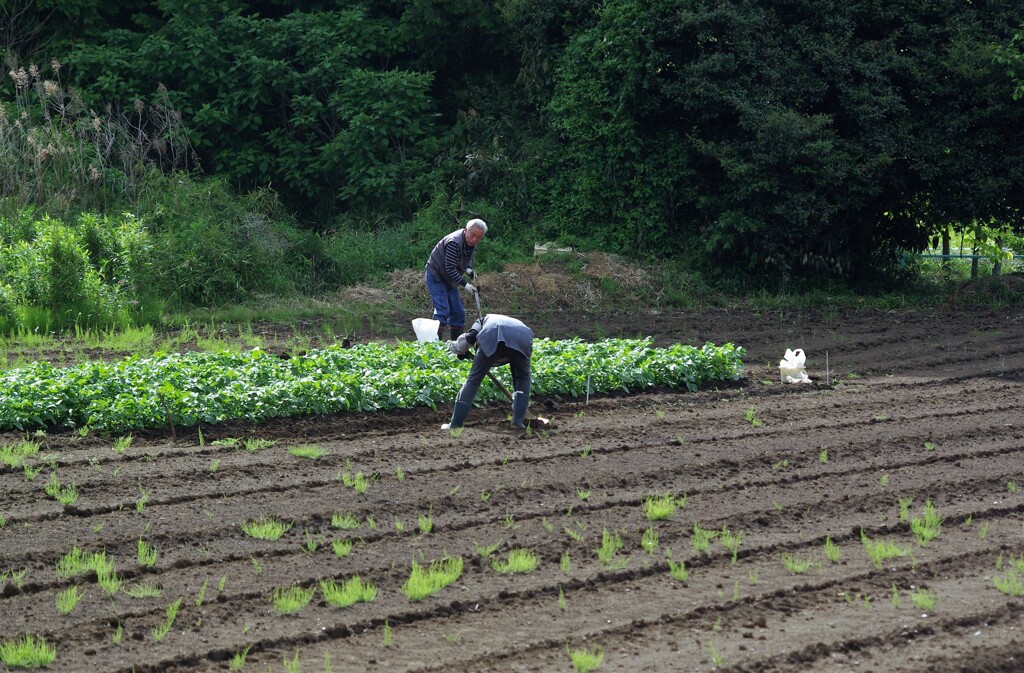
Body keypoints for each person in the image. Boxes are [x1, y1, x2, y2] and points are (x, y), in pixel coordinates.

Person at [442, 313, 532, 431]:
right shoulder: (512, 322)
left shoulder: (480, 321)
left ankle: (455, 424)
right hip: (523, 337)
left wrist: (459, 350)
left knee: (473, 381)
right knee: (523, 377)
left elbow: (470, 336)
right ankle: (518, 421)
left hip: (493, 335)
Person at [424, 218, 487, 342]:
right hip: (436, 275)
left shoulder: (471, 244)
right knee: (442, 311)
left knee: (458, 313)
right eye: (473, 235)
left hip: (449, 278)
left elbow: (467, 259)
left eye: (478, 237)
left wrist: (469, 270)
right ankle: (433, 346)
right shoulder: (454, 242)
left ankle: (458, 348)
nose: (475, 239)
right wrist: (465, 284)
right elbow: (450, 269)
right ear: (465, 231)